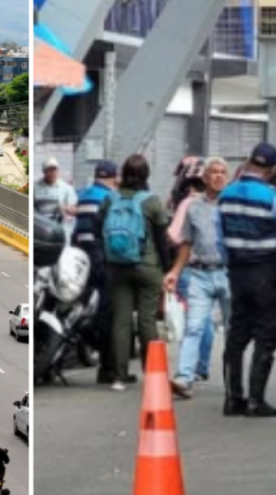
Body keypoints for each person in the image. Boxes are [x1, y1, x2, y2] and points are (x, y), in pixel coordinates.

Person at [220, 143, 276, 418]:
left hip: (237, 272)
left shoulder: (226, 195)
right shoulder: (272, 197)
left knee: (237, 336)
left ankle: (233, 398)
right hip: (267, 273)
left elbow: (220, 239)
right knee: (265, 337)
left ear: (248, 162)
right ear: (272, 170)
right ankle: (256, 401)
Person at [98, 154, 171, 392]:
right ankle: (152, 374)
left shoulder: (110, 199)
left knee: (121, 321)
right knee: (147, 320)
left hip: (118, 266)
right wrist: (168, 269)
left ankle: (120, 376)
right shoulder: (152, 202)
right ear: (146, 175)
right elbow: (162, 240)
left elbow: (96, 225)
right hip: (147, 266)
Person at [163, 158, 231, 399]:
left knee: (233, 331)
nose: (219, 176)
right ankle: (184, 378)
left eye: (223, 173)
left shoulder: (233, 204)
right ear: (205, 178)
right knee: (194, 327)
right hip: (200, 273)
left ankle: (233, 381)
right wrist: (175, 272)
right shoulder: (193, 206)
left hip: (229, 273)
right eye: (214, 172)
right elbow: (186, 243)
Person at [166, 169, 215, 383]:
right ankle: (202, 366)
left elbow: (175, 236)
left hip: (193, 267)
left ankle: (187, 371)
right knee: (208, 320)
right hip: (223, 267)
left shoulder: (188, 204)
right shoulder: (223, 203)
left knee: (194, 322)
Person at [72, 160, 119, 384]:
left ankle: (81, 332)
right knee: (107, 311)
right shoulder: (110, 198)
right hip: (101, 257)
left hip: (81, 256)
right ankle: (106, 362)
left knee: (80, 303)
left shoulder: (83, 196)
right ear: (114, 177)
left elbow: (75, 231)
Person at [36, 157, 78, 242]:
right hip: (41, 226)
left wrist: (65, 208)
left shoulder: (66, 188)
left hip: (60, 227)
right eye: (50, 170)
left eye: (55, 170)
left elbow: (74, 210)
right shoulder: (35, 187)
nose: (53, 173)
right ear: (44, 171)